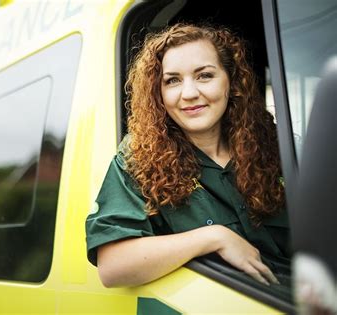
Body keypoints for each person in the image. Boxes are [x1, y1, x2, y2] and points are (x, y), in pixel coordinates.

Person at [85, 23, 291, 288]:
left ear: (231, 80)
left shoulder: (274, 146)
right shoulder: (138, 160)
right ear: (158, 93)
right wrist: (214, 237)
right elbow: (113, 268)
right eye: (172, 81)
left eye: (204, 75)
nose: (190, 93)